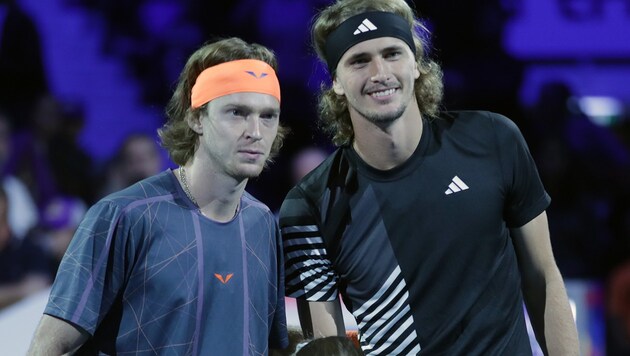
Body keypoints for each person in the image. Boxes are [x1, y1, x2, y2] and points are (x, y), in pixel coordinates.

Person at [278, 0, 579, 355]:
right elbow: (326, 347)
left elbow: (543, 278)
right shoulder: (309, 205)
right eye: (359, 61)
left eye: (392, 53)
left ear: (417, 65)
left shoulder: (494, 139)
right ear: (336, 83)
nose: (379, 73)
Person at [28, 37, 289, 355]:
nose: (256, 131)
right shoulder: (123, 215)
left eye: (268, 115)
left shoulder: (263, 223)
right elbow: (49, 348)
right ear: (196, 118)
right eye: (237, 112)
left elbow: (268, 346)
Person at [0, 186, 50, 309]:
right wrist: (21, 291)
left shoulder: (25, 247)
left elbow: (40, 286)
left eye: (4, 219)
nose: (5, 231)